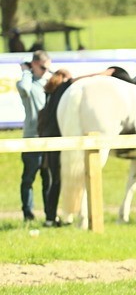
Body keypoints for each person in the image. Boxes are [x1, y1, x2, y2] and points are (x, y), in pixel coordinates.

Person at [16, 50, 51, 223]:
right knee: (28, 179)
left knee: (48, 179)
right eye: (43, 67)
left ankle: (50, 214)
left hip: (48, 139)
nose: (45, 71)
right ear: (34, 64)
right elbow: (24, 88)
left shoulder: (49, 83)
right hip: (32, 138)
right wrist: (26, 71)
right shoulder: (27, 83)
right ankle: (28, 215)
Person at [36, 67, 72, 227]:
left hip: (47, 139)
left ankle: (50, 217)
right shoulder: (62, 88)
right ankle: (54, 217)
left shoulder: (50, 92)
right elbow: (75, 81)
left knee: (52, 179)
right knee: (57, 180)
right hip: (58, 139)